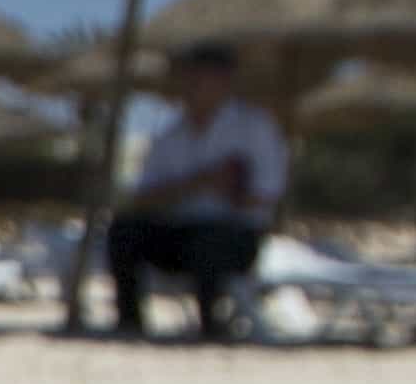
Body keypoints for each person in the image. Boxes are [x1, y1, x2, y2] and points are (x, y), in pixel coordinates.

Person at [103, 40, 287, 342]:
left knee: (210, 242)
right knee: (123, 231)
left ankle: (211, 327)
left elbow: (267, 194)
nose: (189, 85)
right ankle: (129, 322)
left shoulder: (255, 127)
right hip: (180, 230)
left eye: (197, 77)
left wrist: (228, 190)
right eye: (186, 78)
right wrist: (200, 182)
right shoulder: (170, 132)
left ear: (223, 81)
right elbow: (143, 197)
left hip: (235, 233)